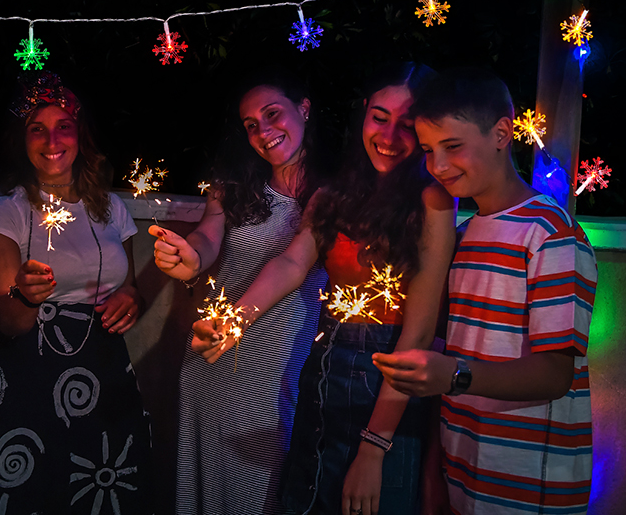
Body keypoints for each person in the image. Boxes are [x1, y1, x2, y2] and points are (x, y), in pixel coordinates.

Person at [195, 63, 455, 515]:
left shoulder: (432, 200)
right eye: (379, 117)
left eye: (408, 124)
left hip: (387, 385)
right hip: (322, 371)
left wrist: (374, 449)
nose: (390, 135)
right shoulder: (334, 193)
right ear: (363, 116)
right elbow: (293, 261)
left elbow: (418, 334)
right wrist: (232, 321)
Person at [373, 67, 597, 515]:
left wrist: (455, 375)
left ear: (501, 133)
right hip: (465, 474)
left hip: (530, 484)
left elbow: (555, 374)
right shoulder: (464, 233)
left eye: (453, 146)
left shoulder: (551, 233)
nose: (437, 165)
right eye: (429, 150)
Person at [0, 72, 152, 515]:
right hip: (28, 380)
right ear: (22, 140)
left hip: (105, 375)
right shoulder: (9, 211)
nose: (51, 139)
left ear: (81, 136)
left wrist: (132, 299)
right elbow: (8, 320)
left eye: (63, 127)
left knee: (101, 490)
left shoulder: (112, 207)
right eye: (37, 128)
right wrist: (26, 295)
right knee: (34, 492)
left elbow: (131, 287)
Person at [149, 71, 328, 515]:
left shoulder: (331, 194)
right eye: (250, 124)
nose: (263, 131)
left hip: (271, 369)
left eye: (272, 114)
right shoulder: (232, 184)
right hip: (208, 357)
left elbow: (291, 263)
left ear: (303, 108)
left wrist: (234, 321)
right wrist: (190, 254)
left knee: (260, 492)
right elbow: (209, 237)